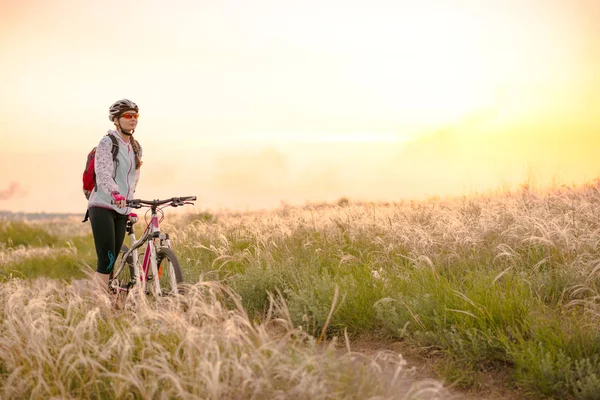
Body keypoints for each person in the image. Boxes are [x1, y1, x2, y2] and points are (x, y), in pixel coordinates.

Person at [88, 99, 143, 290]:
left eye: (135, 115)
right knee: (107, 259)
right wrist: (115, 193)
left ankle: (110, 297)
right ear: (116, 120)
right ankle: (98, 306)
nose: (133, 119)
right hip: (103, 205)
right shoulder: (107, 143)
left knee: (114, 257)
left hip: (122, 208)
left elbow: (133, 179)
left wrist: (131, 204)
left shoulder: (136, 147)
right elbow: (102, 172)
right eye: (128, 116)